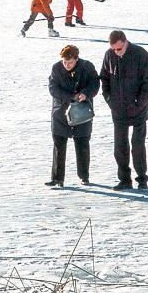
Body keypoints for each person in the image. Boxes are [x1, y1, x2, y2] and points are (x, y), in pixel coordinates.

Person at [99, 30, 148, 190]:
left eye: (119, 49)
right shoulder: (109, 55)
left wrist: (139, 103)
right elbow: (104, 78)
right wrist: (110, 99)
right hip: (118, 110)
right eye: (113, 49)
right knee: (120, 147)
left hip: (138, 110)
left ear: (125, 42)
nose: (116, 52)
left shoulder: (140, 54)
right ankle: (125, 180)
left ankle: (142, 179)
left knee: (137, 145)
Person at [46, 45, 100, 187]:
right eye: (64, 62)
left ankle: (84, 176)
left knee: (82, 144)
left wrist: (86, 93)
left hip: (82, 112)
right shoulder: (56, 68)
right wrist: (71, 96)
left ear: (77, 59)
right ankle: (57, 178)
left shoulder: (87, 67)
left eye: (69, 62)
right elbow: (53, 88)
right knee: (59, 144)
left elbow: (95, 83)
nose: (66, 65)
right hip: (60, 112)